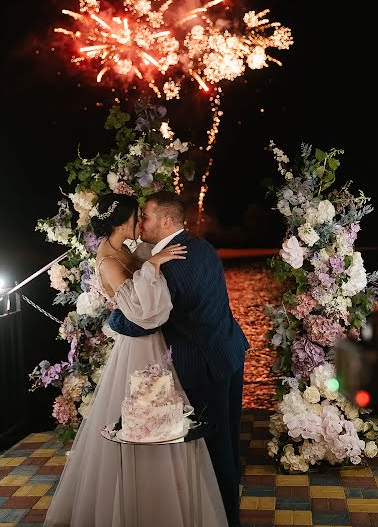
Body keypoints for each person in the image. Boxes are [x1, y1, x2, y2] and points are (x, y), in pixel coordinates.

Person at [44, 193, 228, 527]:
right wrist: (152, 267)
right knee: (144, 424)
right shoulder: (110, 261)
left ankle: (178, 501)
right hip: (140, 348)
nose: (141, 221)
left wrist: (150, 261)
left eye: (145, 216)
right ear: (124, 221)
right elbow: (146, 315)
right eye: (138, 217)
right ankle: (144, 507)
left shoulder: (132, 249)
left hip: (160, 347)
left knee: (164, 421)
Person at [109, 191, 250, 527]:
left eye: (146, 217)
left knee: (214, 449)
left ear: (167, 222)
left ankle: (226, 518)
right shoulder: (201, 247)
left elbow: (143, 321)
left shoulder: (171, 267)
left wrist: (112, 315)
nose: (140, 222)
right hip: (230, 351)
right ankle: (232, 502)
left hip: (202, 366)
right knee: (230, 438)